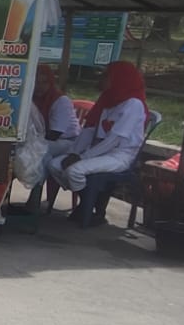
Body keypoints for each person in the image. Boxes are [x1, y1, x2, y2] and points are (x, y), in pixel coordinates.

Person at [46, 61, 149, 225]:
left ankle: (89, 208)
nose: (101, 79)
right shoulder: (108, 99)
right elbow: (89, 130)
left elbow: (114, 140)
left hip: (120, 154)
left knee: (75, 171)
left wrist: (82, 157)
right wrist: (74, 152)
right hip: (97, 150)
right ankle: (89, 201)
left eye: (106, 76)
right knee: (54, 165)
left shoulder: (133, 104)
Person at [31, 65, 81, 212]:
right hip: (46, 138)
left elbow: (54, 134)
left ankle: (35, 198)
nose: (39, 87)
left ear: (50, 83)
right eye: (36, 83)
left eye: (43, 83)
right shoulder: (33, 98)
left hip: (68, 141)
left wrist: (31, 140)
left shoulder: (60, 101)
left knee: (39, 152)